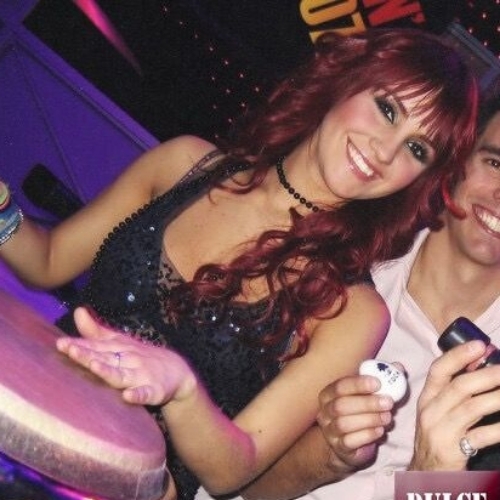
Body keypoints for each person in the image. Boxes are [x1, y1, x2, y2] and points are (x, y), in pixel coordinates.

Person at [0, 28, 477, 500]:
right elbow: (47, 260)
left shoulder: (352, 309)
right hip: (29, 418)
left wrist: (183, 390)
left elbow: (235, 468)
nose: (386, 151)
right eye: (387, 109)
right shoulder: (185, 165)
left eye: (417, 150)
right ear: (346, 80)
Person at [229, 95, 500, 500]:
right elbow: (231, 476)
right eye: (495, 163)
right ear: (458, 160)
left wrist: (429, 479)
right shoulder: (342, 259)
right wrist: (328, 455)